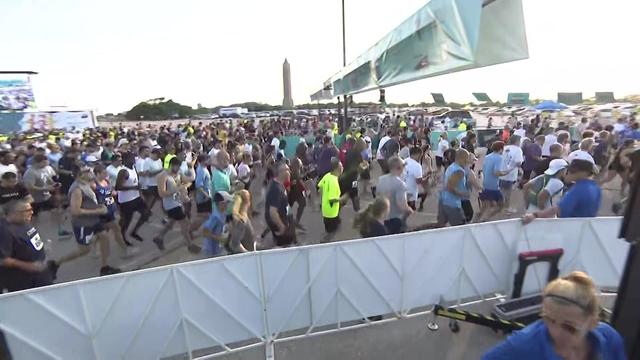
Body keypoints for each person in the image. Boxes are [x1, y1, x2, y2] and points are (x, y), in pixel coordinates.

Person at [482, 271, 626, 360]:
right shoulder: (522, 345)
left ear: (592, 322)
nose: (555, 332)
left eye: (568, 327)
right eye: (548, 319)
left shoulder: (609, 339)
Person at [50, 166, 121, 277]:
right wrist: (98, 211)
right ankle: (55, 263)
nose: (90, 172)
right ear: (79, 175)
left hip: (94, 221)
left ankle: (105, 267)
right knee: (84, 250)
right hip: (83, 224)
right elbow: (76, 211)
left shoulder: (86, 184)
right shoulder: (77, 189)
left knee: (105, 237)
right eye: (87, 171)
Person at [522, 160, 601, 223]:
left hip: (570, 225)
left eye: (572, 171)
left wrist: (535, 215)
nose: (568, 173)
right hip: (587, 225)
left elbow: (559, 209)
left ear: (584, 173)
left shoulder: (578, 189)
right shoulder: (596, 188)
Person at [0, 199, 54, 292]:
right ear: (14, 213)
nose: (32, 212)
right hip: (24, 281)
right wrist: (29, 266)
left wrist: (42, 247)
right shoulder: (4, 232)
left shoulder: (23, 221)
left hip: (41, 274)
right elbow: (3, 260)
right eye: (27, 210)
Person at [153, 157, 198, 253]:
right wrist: (177, 189)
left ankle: (159, 237)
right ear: (172, 165)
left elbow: (189, 181)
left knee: (171, 222)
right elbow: (161, 193)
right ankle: (189, 244)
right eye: (176, 167)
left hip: (178, 201)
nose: (178, 169)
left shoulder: (178, 173)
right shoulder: (163, 176)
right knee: (184, 222)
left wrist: (185, 184)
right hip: (170, 204)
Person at [94, 165, 138, 256]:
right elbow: (101, 193)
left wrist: (113, 192)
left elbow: (113, 192)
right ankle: (124, 251)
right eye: (104, 173)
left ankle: (95, 248)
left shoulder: (106, 181)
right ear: (97, 174)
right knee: (114, 230)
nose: (106, 174)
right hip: (101, 213)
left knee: (106, 231)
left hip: (110, 210)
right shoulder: (94, 184)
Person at [115, 151, 150, 244]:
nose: (134, 159)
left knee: (146, 213)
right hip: (126, 201)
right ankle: (122, 237)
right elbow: (118, 187)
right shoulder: (124, 171)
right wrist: (133, 187)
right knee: (127, 222)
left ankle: (134, 231)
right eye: (131, 158)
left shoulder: (133, 168)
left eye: (134, 157)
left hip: (136, 198)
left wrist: (138, 190)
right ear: (126, 160)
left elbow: (134, 182)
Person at [376, 156, 413, 234]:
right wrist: (410, 211)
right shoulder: (400, 184)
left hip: (382, 218)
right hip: (395, 220)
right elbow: (402, 206)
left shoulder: (381, 179)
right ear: (399, 168)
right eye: (403, 166)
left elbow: (378, 198)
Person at [476, 142, 508, 222]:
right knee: (501, 205)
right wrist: (505, 172)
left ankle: (476, 219)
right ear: (501, 149)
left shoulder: (487, 157)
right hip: (493, 186)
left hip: (485, 184)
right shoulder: (499, 158)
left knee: (485, 206)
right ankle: (486, 219)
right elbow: (496, 172)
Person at [438, 149, 471, 226]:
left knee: (441, 225)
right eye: (467, 158)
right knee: (459, 227)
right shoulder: (459, 171)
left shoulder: (451, 167)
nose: (468, 161)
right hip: (452, 203)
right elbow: (450, 187)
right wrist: (463, 193)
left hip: (444, 200)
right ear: (463, 158)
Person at [265, 163, 295, 247]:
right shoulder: (276, 189)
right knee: (283, 246)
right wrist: (281, 226)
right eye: (287, 170)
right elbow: (272, 212)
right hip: (279, 223)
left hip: (284, 219)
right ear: (281, 172)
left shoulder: (280, 184)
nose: (290, 172)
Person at [318, 157, 347, 242]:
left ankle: (326, 240)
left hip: (325, 209)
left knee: (331, 228)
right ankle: (325, 242)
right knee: (332, 231)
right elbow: (332, 199)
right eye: (341, 166)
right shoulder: (334, 181)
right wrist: (342, 199)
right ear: (337, 168)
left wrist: (324, 198)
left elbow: (320, 188)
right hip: (332, 212)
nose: (343, 168)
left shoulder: (327, 176)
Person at [201, 192, 233, 257]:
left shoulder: (223, 212)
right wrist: (219, 238)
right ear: (221, 203)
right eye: (227, 202)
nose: (228, 204)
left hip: (218, 248)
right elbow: (205, 232)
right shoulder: (215, 217)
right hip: (211, 250)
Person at [499, 135, 523, 214]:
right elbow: (518, 162)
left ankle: (501, 207)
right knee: (508, 192)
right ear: (517, 141)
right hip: (511, 174)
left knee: (502, 191)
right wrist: (520, 169)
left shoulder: (505, 147)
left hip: (501, 172)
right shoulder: (518, 150)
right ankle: (506, 208)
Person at [289, 142, 308, 230]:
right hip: (295, 188)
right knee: (286, 207)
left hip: (295, 187)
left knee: (301, 204)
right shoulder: (296, 160)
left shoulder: (296, 159)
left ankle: (296, 222)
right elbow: (296, 175)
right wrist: (304, 184)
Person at [404, 146, 426, 211]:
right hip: (410, 192)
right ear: (417, 154)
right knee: (409, 211)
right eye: (420, 155)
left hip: (402, 190)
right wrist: (427, 178)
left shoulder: (404, 161)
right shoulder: (417, 165)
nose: (420, 157)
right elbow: (419, 181)